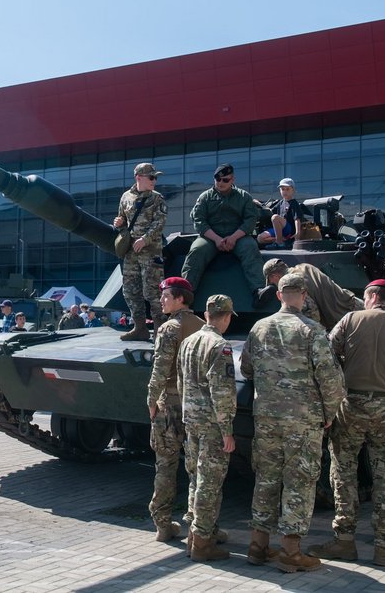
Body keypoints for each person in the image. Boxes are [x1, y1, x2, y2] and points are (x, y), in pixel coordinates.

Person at [308, 279, 385, 567]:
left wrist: (329, 407)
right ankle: (383, 547)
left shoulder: (349, 320)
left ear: (373, 297)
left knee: (343, 472)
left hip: (350, 405)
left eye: (364, 298)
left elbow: (326, 363)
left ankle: (344, 541)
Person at [240, 273, 345, 572]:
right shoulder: (312, 331)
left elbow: (246, 368)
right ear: (303, 295)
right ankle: (290, 552)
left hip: (267, 419)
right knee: (298, 482)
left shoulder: (258, 328)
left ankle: (258, 546)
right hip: (303, 420)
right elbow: (330, 379)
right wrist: (328, 414)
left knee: (266, 480)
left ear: (278, 295)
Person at [177, 294, 237, 561]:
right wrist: (227, 430)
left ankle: (195, 533)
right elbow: (222, 391)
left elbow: (181, 383)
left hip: (191, 420)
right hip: (212, 424)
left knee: (195, 479)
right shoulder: (220, 346)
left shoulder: (189, 342)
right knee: (210, 483)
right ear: (224, 317)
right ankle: (202, 543)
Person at [147, 277, 204, 544]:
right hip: (194, 405)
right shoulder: (203, 327)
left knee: (166, 465)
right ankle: (197, 526)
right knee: (196, 468)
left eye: (166, 296)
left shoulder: (169, 328)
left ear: (181, 297)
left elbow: (160, 369)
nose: (161, 300)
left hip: (168, 404)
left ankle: (162, 524)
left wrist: (151, 400)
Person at [181, 163, 271, 306]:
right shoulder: (205, 197)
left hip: (238, 236)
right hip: (210, 237)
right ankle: (185, 294)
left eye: (225, 180)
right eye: (218, 178)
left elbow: (250, 220)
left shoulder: (243, 197)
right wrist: (217, 239)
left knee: (250, 249)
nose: (220, 182)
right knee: (197, 251)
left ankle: (258, 290)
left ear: (232, 180)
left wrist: (233, 238)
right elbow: (199, 221)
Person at [112, 162, 168, 341]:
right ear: (139, 178)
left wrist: (145, 239)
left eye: (155, 177)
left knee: (152, 291)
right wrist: (119, 225)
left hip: (150, 252)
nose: (154, 180)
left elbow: (159, 223)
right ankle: (140, 328)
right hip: (131, 252)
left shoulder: (157, 198)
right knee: (130, 290)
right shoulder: (126, 197)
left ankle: (160, 329)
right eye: (151, 177)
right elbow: (123, 222)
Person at [263, 259, 364, 330]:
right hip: (356, 305)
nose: (274, 284)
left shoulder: (294, 283)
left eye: (272, 281)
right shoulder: (306, 267)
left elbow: (312, 316)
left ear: (275, 276)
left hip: (347, 320)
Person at [256, 178, 304, 248]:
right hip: (280, 231)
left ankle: (279, 243)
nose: (285, 191)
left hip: (289, 230)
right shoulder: (280, 203)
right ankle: (282, 240)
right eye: (282, 189)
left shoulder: (294, 203)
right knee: (260, 238)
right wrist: (258, 203)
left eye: (287, 189)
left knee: (275, 217)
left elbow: (297, 219)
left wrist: (297, 233)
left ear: (293, 190)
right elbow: (269, 210)